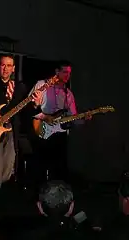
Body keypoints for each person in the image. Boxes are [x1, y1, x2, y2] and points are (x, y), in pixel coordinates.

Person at [0, 55, 41, 193]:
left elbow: (25, 111)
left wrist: (35, 104)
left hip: (10, 131)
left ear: (13, 69)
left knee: (8, 169)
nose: (6, 69)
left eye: (9, 66)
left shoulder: (19, 87)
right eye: (3, 65)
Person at [28, 61, 91, 191]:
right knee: (39, 166)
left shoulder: (68, 94)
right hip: (42, 129)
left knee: (59, 168)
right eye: (65, 72)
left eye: (69, 73)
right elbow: (29, 107)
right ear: (57, 72)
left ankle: (57, 197)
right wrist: (45, 117)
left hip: (60, 133)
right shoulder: (42, 84)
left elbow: (73, 117)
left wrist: (84, 118)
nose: (67, 75)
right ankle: (38, 196)